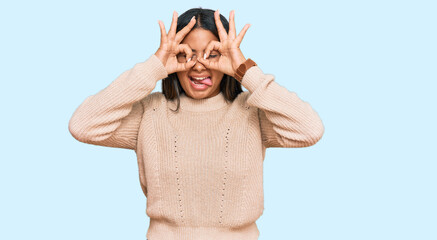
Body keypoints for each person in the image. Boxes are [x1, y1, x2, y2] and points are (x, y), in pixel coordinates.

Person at [68, 7, 324, 240]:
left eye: (213, 54)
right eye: (188, 54)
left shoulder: (251, 111)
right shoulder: (150, 112)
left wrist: (245, 71)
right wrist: (154, 66)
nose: (199, 65)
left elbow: (309, 129)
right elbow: (83, 125)